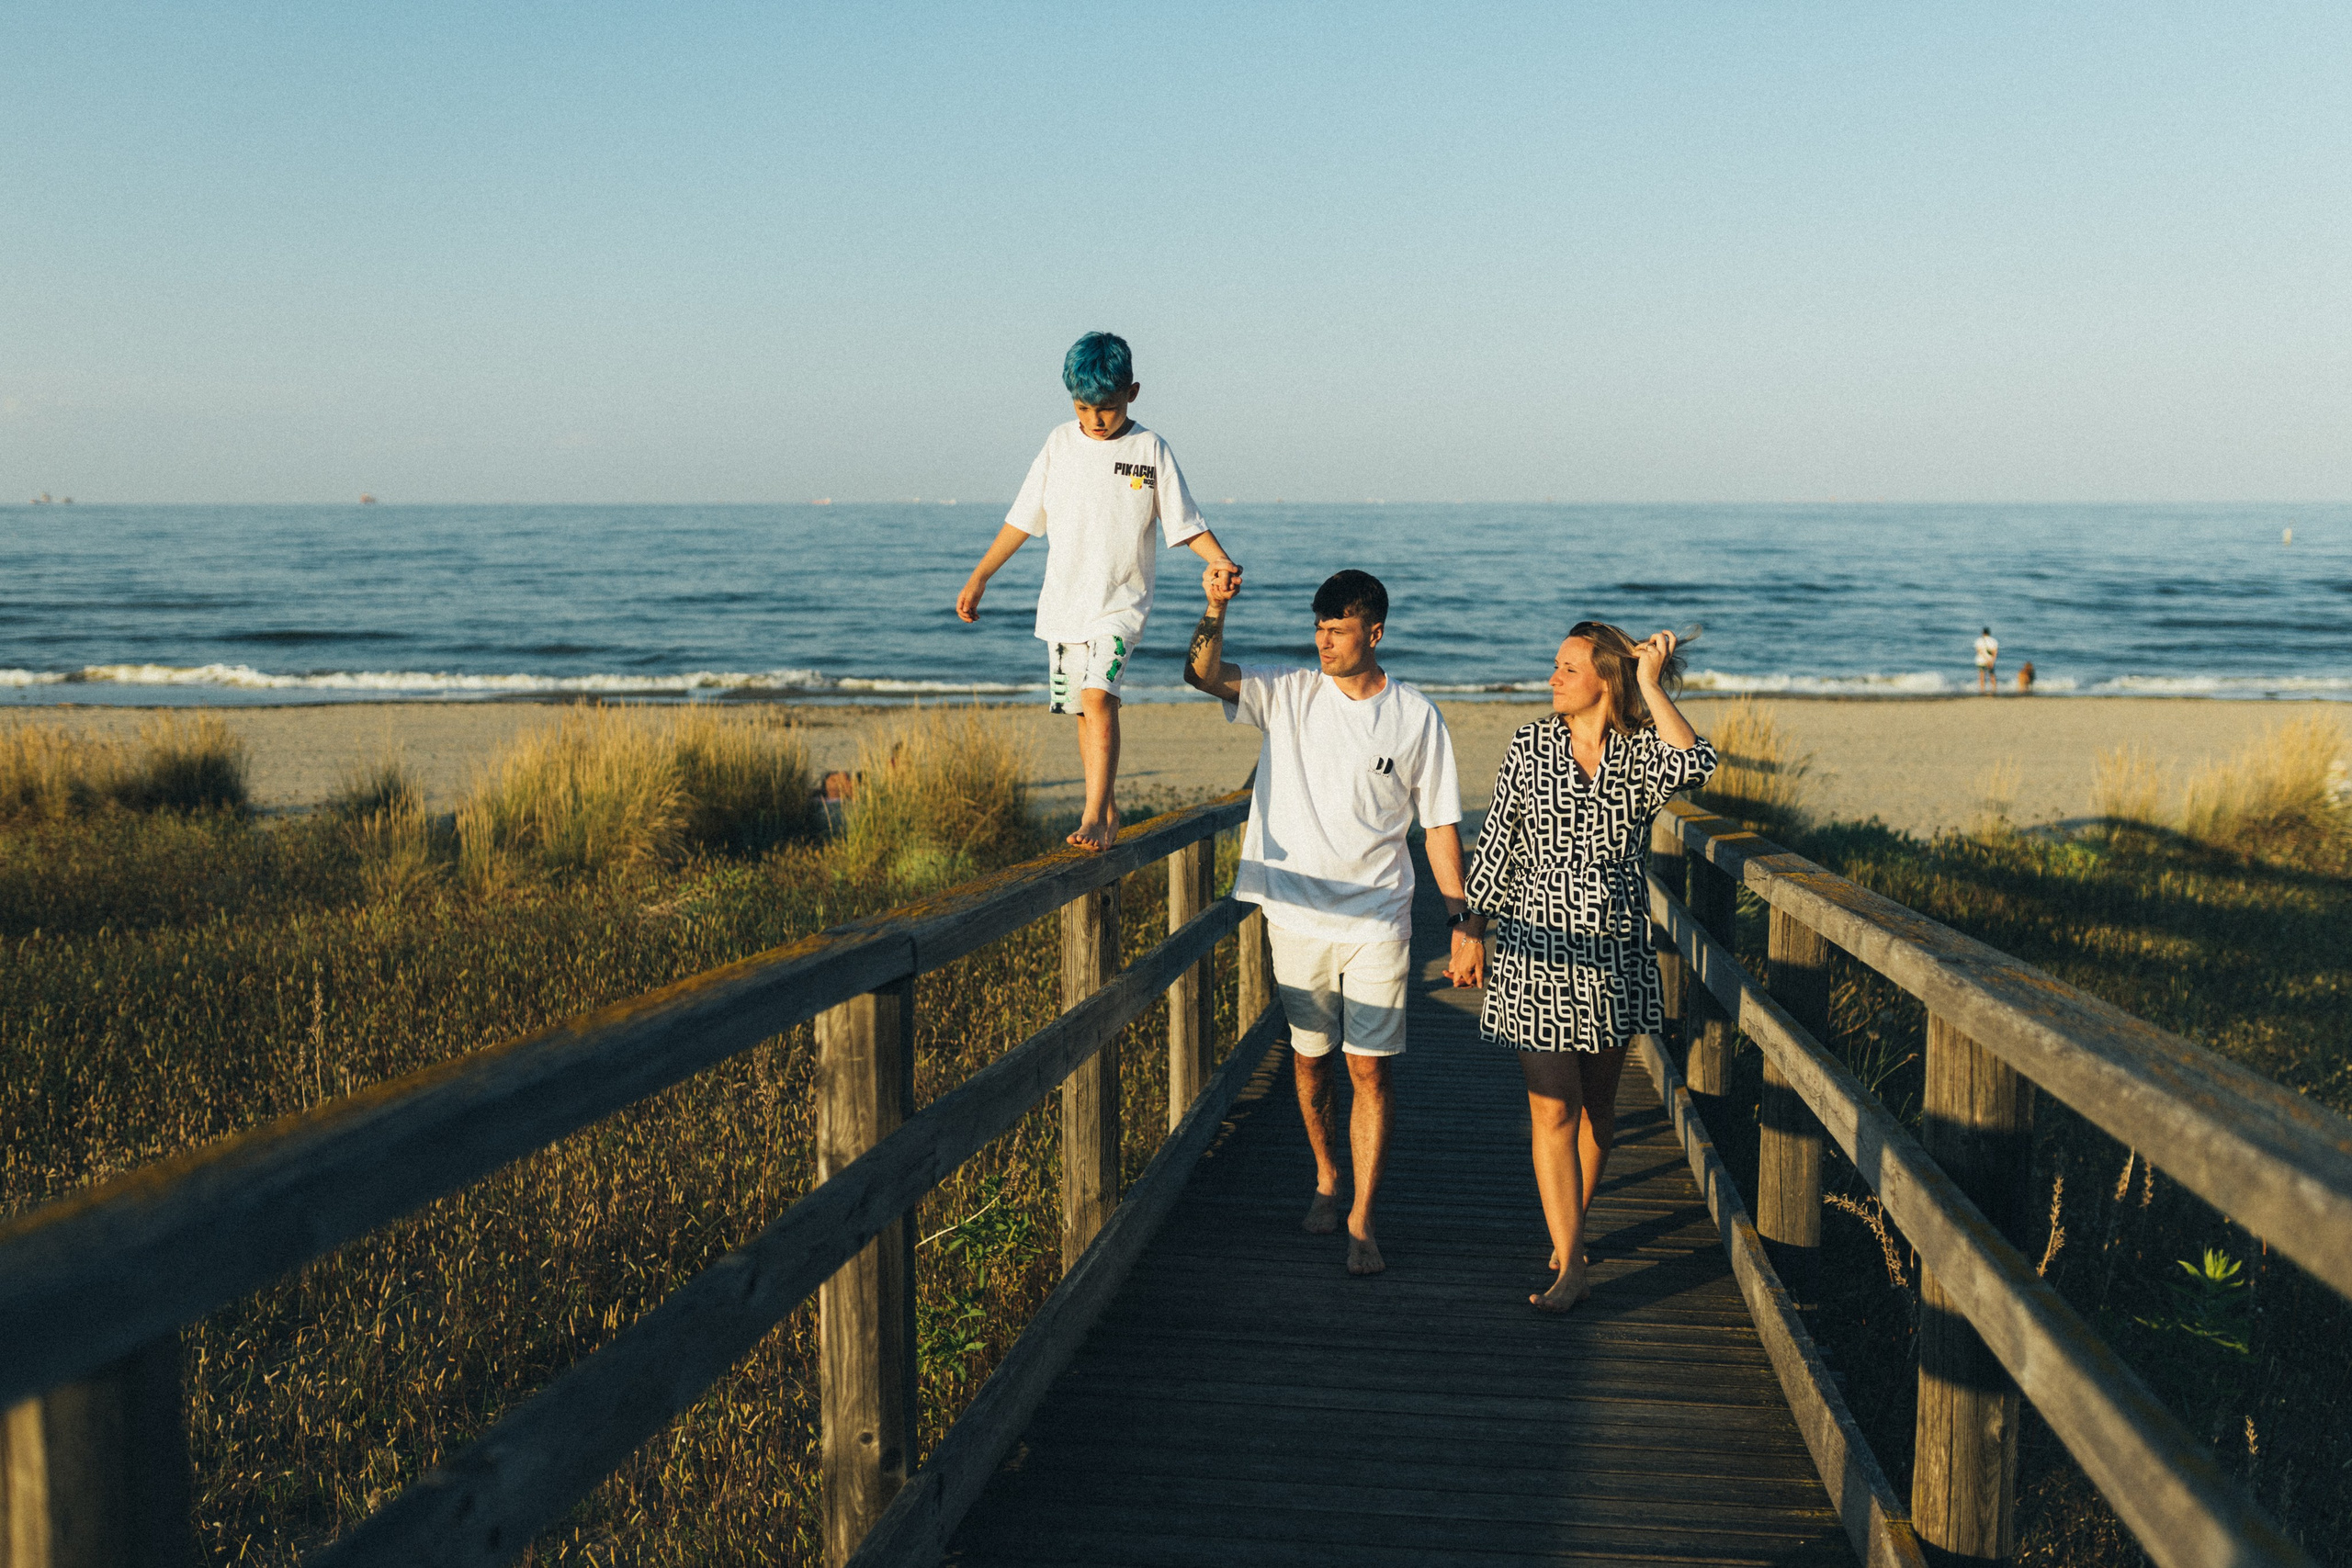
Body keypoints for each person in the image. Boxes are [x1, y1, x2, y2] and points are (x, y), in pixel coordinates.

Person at [1185, 564, 1470, 1277]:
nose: (1324, 641)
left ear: (1375, 632)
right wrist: (1214, 607)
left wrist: (1461, 918)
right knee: (1310, 1059)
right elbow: (1201, 674)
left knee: (1368, 1069)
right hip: (1296, 913)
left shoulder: (1415, 716)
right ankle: (1325, 1171)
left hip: (1379, 915)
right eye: (1319, 628)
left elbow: (1439, 825)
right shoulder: (1288, 692)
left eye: (1338, 630)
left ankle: (1363, 1215)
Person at [1450, 623, 1715, 1311]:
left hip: (1614, 947)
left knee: (1598, 1107)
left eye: (1568, 668)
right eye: (1555, 666)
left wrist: (1650, 684)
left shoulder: (1640, 753)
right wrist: (1471, 928)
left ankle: (1573, 1230)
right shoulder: (1530, 745)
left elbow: (1697, 763)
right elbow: (1499, 840)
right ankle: (1570, 1264)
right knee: (1552, 1107)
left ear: (1606, 677)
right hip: (1535, 945)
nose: (1553, 678)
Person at [957, 332, 1239, 851]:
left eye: (1106, 407)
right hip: (1064, 606)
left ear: (1132, 393)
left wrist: (1219, 559)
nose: (1095, 419)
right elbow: (1022, 519)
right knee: (1084, 711)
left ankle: (1092, 816)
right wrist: (980, 577)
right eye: (1083, 407)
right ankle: (1107, 811)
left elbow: (1185, 522)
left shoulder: (1149, 449)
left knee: (1098, 696)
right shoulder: (1059, 444)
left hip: (1120, 605)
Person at [1975, 626, 1999, 694]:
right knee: (1992, 675)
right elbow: (1995, 652)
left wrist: (1986, 659)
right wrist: (1991, 661)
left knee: (1982, 676)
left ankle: (1982, 690)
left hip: (1981, 660)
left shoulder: (1979, 640)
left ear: (1983, 633)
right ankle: (1994, 690)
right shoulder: (1993, 641)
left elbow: (1979, 651)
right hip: (1991, 661)